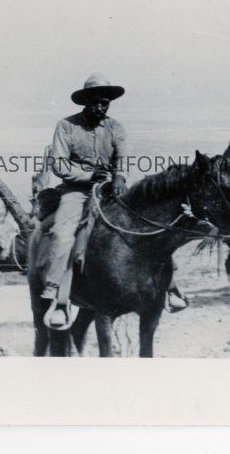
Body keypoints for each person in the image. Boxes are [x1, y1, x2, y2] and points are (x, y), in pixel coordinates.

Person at [42, 73, 187, 327]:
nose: (100, 107)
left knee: (147, 225)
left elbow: (122, 158)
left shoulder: (115, 127)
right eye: (95, 102)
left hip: (110, 188)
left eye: (105, 103)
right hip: (76, 190)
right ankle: (56, 294)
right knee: (62, 232)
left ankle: (170, 285)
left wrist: (119, 177)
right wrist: (88, 176)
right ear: (85, 102)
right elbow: (59, 164)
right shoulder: (66, 126)